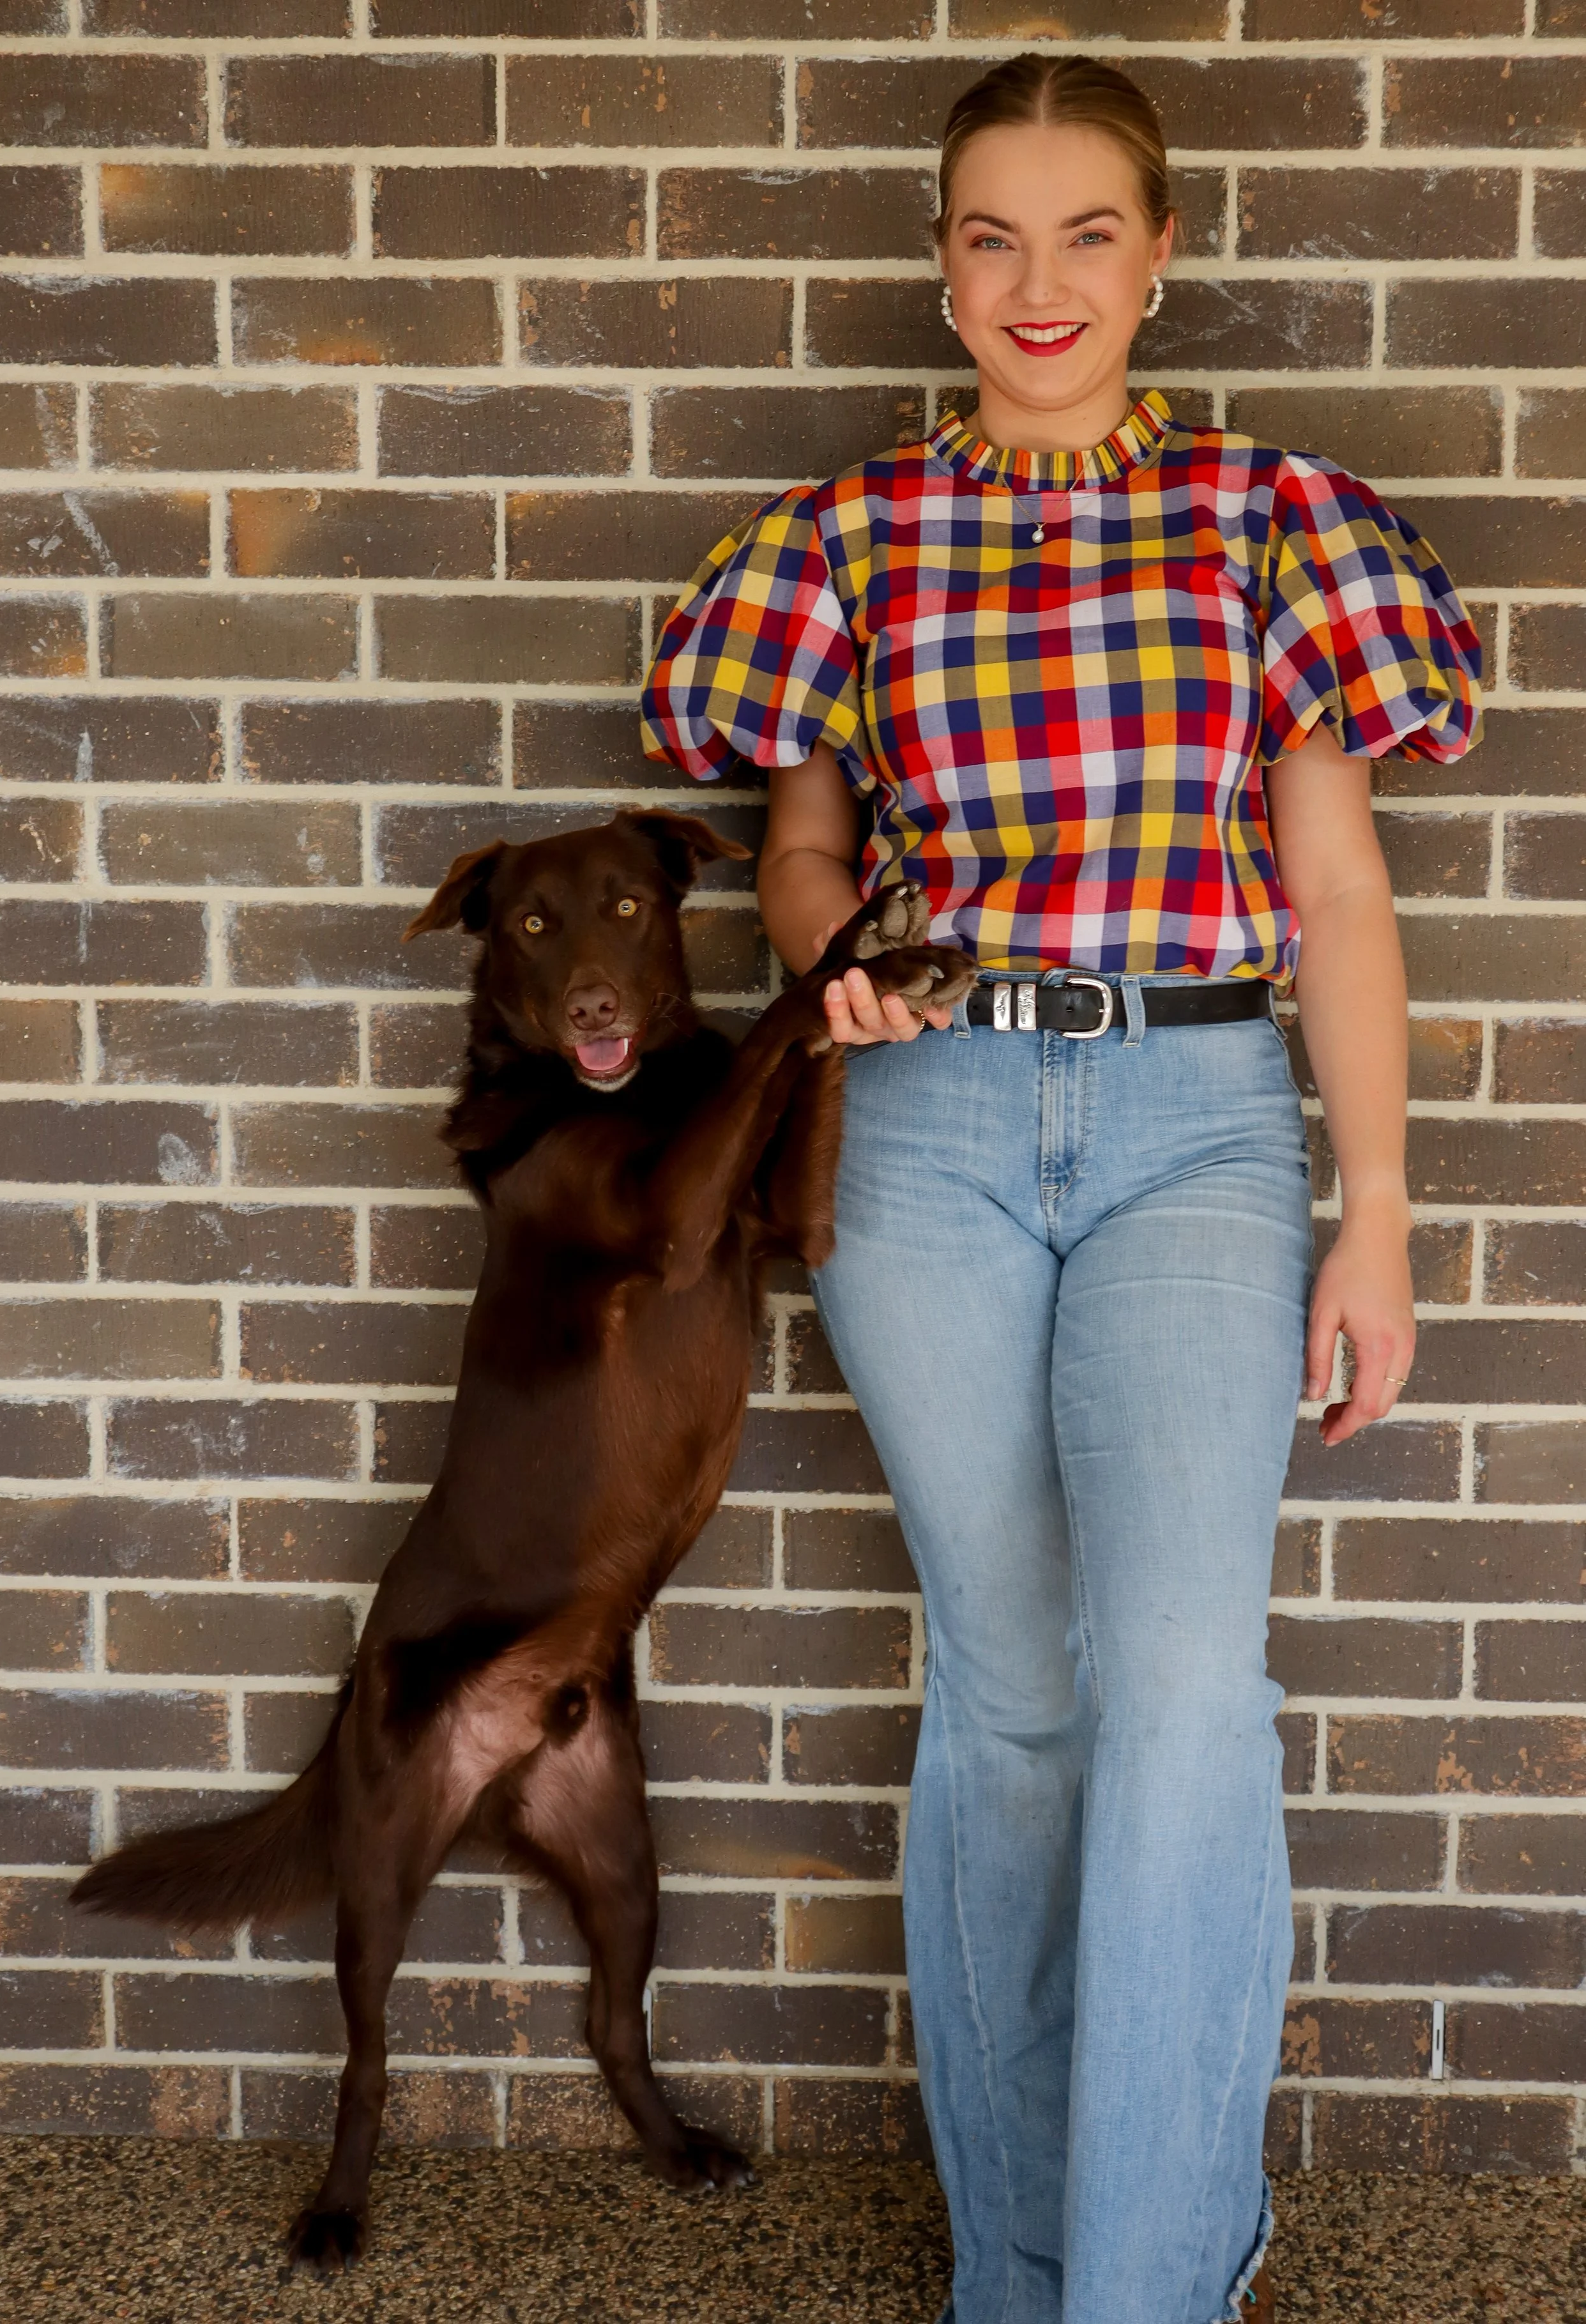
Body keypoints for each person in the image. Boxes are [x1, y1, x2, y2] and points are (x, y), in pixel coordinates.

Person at [637, 50, 1483, 2324]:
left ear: (1160, 251)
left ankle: (1149, 2279)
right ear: (938, 262)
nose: (1036, 284)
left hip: (1196, 1116)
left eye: (1084, 233)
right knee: (1011, 1693)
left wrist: (1375, 1205)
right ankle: (1020, 2270)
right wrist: (837, 963)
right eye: (988, 237)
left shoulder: (1265, 514)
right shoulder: (840, 542)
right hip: (921, 1138)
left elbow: (1338, 892)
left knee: (1186, 1683)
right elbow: (799, 847)